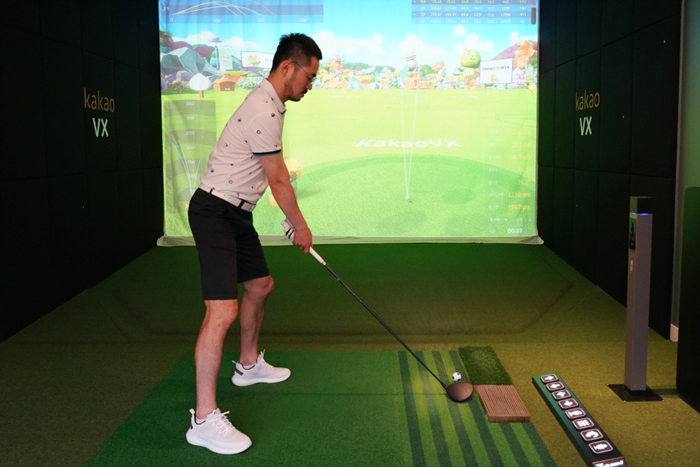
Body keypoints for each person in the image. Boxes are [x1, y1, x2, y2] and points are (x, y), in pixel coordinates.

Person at [185, 33, 322, 455]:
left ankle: (247, 366)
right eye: (309, 76)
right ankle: (203, 419)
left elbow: (267, 175)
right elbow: (279, 180)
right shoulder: (264, 108)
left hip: (236, 212)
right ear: (287, 67)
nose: (310, 85)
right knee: (221, 311)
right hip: (214, 212)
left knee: (260, 286)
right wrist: (300, 227)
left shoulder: (272, 105)